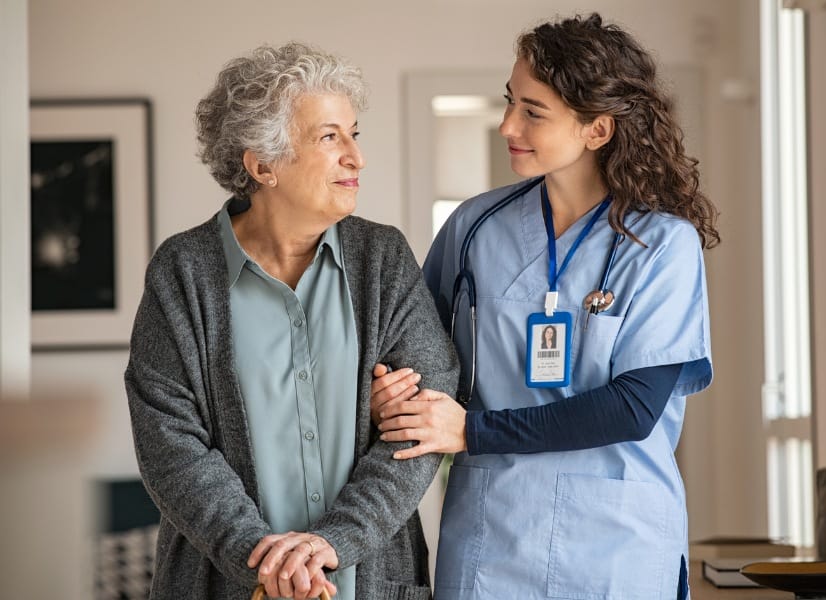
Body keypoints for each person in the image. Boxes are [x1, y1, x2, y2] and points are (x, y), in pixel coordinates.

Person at [370, 13, 718, 600]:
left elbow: (633, 408)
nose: (507, 124)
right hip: (492, 537)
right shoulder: (473, 228)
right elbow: (417, 356)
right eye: (511, 102)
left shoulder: (661, 245)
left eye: (534, 111)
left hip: (616, 544)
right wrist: (395, 391)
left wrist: (471, 431)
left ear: (597, 129)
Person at [124, 42, 458, 600]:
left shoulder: (383, 259)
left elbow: (423, 420)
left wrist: (334, 543)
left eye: (355, 134)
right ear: (262, 165)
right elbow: (170, 444)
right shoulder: (182, 272)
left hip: (370, 582)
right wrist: (264, 561)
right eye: (330, 137)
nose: (356, 157)